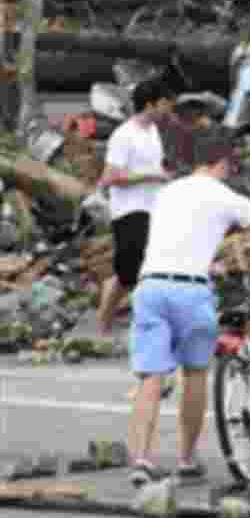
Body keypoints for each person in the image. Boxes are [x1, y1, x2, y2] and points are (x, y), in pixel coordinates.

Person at [126, 123, 250, 487]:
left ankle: (141, 459)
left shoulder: (168, 192)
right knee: (195, 373)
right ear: (222, 163)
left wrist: (209, 261)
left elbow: (180, 235)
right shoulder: (225, 196)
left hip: (150, 286)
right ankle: (186, 459)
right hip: (190, 291)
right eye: (231, 165)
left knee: (150, 377)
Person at [97, 76, 176, 338]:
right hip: (129, 209)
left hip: (154, 207)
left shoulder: (153, 132)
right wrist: (150, 176)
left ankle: (140, 325)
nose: (168, 109)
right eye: (165, 103)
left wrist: (164, 175)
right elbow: (110, 177)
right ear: (151, 104)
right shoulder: (123, 135)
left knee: (146, 268)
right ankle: (104, 324)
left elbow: (155, 166)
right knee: (128, 272)